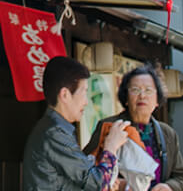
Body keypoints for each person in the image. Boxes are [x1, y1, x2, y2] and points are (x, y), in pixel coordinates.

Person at [23, 55, 129, 191]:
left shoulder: (52, 128)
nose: (86, 101)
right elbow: (97, 183)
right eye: (84, 92)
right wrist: (111, 147)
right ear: (65, 95)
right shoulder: (55, 133)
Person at [84, 64, 183, 191]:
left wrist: (169, 187)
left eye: (148, 90)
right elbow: (85, 168)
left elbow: (181, 178)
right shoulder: (109, 126)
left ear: (157, 100)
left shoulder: (168, 133)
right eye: (135, 90)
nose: (142, 96)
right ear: (126, 98)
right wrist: (115, 182)